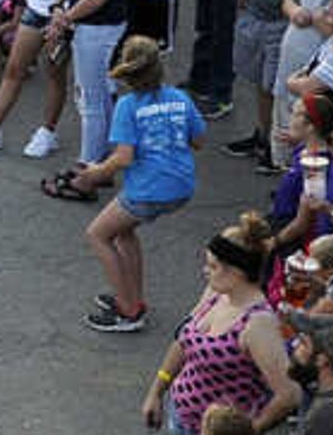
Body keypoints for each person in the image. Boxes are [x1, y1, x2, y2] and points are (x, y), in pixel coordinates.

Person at [73, 34, 206, 334]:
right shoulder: (179, 98)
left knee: (97, 234)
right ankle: (133, 296)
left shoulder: (128, 106)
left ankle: (128, 310)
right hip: (181, 185)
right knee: (123, 232)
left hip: (149, 188)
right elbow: (198, 140)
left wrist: (95, 173)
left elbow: (123, 157)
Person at [143, 213, 301, 432]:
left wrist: (248, 431)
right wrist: (157, 390)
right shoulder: (216, 295)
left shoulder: (257, 324)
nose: (205, 271)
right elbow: (183, 342)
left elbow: (289, 394)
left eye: (213, 266)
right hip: (181, 414)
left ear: (236, 271)